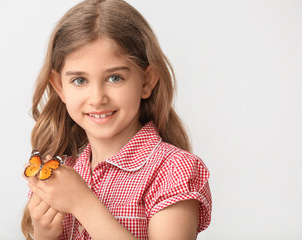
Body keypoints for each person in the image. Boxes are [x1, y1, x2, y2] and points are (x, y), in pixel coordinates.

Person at [21, 0, 212, 239]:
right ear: (60, 87)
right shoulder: (63, 174)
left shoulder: (174, 171)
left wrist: (84, 204)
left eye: (114, 78)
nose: (97, 98)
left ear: (146, 81)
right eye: (80, 80)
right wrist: (44, 235)